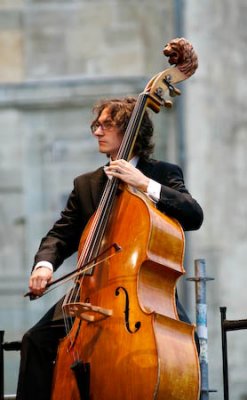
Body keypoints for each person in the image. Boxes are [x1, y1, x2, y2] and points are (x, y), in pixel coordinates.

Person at [16, 97, 203, 400]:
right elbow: (60, 235)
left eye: (107, 125)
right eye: (96, 125)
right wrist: (44, 265)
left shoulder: (162, 173)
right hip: (94, 287)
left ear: (130, 131)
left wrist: (143, 184)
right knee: (35, 340)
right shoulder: (87, 184)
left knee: (180, 346)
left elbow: (194, 216)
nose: (97, 132)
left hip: (146, 292)